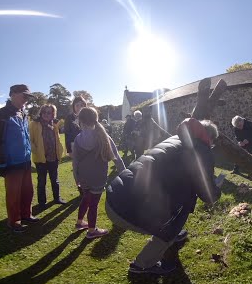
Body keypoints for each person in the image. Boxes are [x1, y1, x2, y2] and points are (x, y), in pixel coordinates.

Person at [105, 118, 224, 274]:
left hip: (115, 196)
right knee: (171, 225)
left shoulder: (175, 138)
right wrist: (217, 189)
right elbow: (206, 193)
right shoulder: (202, 150)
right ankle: (142, 265)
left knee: (177, 203)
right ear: (210, 138)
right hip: (126, 210)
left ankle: (174, 234)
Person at [72, 107, 126, 239]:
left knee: (85, 198)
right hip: (98, 177)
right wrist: (125, 174)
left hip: (83, 176)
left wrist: (76, 178)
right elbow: (117, 158)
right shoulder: (103, 136)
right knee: (93, 204)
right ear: (95, 119)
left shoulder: (78, 138)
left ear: (80, 120)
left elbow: (75, 162)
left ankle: (80, 223)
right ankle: (91, 231)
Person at [0, 84, 39, 233]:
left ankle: (26, 214)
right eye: (23, 95)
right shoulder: (2, 114)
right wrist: (2, 163)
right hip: (11, 162)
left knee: (28, 191)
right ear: (12, 94)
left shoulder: (24, 113)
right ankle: (14, 221)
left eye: (27, 97)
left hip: (25, 160)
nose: (26, 99)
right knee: (13, 194)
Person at [30, 104, 67, 210]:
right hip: (40, 158)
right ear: (41, 113)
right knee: (42, 181)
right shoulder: (34, 124)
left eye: (49, 112)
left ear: (52, 114)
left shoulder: (54, 124)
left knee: (55, 179)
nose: (46, 114)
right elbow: (30, 139)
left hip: (53, 157)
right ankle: (42, 202)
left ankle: (57, 198)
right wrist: (35, 150)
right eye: (45, 112)